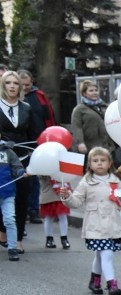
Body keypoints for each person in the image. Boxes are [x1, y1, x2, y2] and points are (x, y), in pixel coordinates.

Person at [59, 147, 121, 295]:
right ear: (90, 164)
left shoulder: (115, 180)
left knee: (101, 253)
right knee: (107, 254)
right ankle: (112, 284)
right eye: (95, 161)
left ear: (109, 163)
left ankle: (95, 281)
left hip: (112, 225)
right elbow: (76, 201)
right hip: (95, 226)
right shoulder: (86, 182)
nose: (99, 164)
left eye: (103, 160)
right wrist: (68, 196)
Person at [0, 70, 36, 252]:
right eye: (8, 83)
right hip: (2, 161)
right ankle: (2, 230)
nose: (12, 86)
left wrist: (34, 158)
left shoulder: (26, 108)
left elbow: (32, 135)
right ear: (3, 86)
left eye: (15, 83)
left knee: (22, 199)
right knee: (3, 197)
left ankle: (19, 237)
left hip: (22, 159)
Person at [19, 69, 56, 224]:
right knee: (23, 176)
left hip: (39, 139)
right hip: (21, 141)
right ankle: (23, 206)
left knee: (34, 177)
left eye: (28, 84)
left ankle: (33, 208)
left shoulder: (39, 96)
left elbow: (49, 115)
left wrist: (52, 136)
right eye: (23, 85)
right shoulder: (14, 98)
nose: (26, 88)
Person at [70, 79, 113, 155]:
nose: (95, 93)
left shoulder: (105, 106)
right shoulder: (79, 109)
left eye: (96, 90)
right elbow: (77, 127)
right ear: (84, 93)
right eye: (91, 91)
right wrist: (80, 143)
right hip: (90, 148)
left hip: (107, 147)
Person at [0, 136, 25, 261]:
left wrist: (21, 172)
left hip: (7, 193)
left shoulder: (9, 151)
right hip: (7, 192)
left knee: (9, 219)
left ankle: (12, 248)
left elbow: (17, 168)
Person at [39, 176, 71, 250]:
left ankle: (64, 238)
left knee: (63, 215)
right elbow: (40, 175)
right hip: (48, 192)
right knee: (49, 217)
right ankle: (49, 238)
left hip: (61, 192)